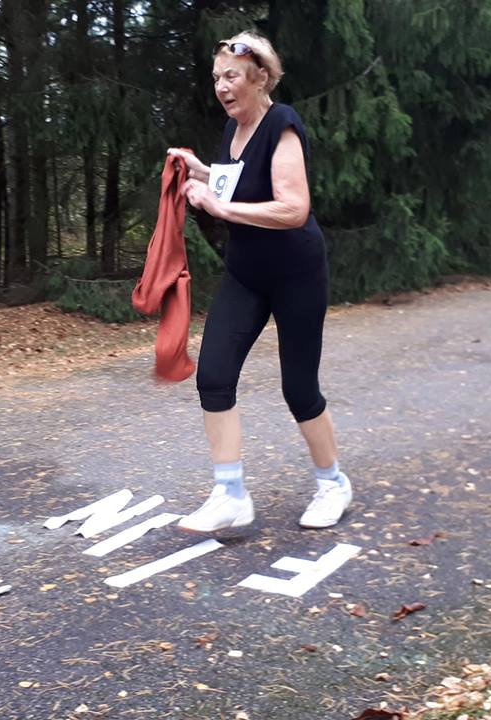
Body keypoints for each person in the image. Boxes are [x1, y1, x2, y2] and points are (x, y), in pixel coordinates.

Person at [167, 31, 352, 533]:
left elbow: (293, 209)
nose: (221, 87)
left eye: (231, 76)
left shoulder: (281, 125)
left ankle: (333, 484)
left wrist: (219, 207)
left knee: (299, 388)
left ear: (260, 78)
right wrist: (200, 172)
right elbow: (237, 182)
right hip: (246, 274)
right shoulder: (233, 130)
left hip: (296, 274)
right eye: (216, 78)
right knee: (214, 376)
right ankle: (230, 494)